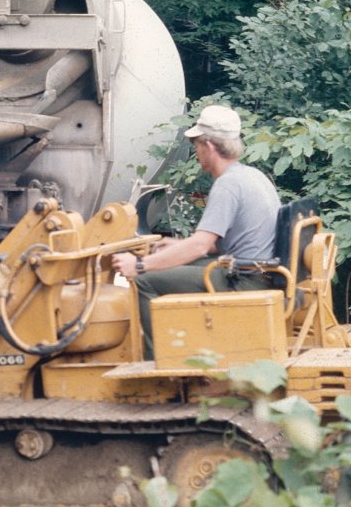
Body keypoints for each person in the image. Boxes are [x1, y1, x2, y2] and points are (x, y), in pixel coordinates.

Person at [112, 104, 281, 360]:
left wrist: (139, 265)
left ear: (209, 146)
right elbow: (223, 241)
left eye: (196, 146)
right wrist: (177, 245)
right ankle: (190, 349)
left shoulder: (228, 184)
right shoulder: (252, 175)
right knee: (170, 267)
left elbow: (201, 246)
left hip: (246, 281)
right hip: (259, 271)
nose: (196, 152)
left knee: (145, 281)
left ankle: (159, 365)